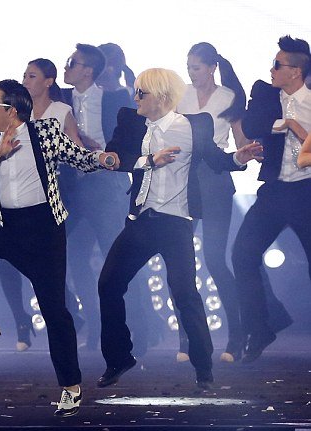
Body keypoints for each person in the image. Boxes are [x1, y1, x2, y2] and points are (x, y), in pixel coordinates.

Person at [0, 79, 119, 417]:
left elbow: (79, 157)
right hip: (3, 225)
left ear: (11, 111)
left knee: (54, 309)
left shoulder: (45, 132)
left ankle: (70, 387)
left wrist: (104, 158)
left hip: (43, 231)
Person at [96, 68, 263, 390]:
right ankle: (119, 357)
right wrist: (148, 160)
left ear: (161, 97)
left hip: (177, 222)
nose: (135, 98)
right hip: (141, 220)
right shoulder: (130, 120)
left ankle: (203, 367)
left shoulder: (194, 125)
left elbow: (216, 160)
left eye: (141, 92)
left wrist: (238, 158)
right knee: (108, 284)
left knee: (185, 293)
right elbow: (114, 157)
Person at [0, 58, 83, 352]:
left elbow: (76, 149)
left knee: (44, 261)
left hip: (49, 196)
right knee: (6, 257)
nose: (25, 80)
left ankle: (66, 316)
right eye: (24, 75)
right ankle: (21, 320)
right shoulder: (15, 111)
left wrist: (90, 154)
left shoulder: (61, 111)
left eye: (31, 76)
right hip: (14, 194)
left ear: (48, 81)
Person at [232, 35, 311, 363]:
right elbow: (252, 125)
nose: (272, 69)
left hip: (307, 192)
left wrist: (298, 126)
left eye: (278, 65)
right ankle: (261, 327)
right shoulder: (265, 93)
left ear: (296, 71)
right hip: (276, 190)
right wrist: (285, 123)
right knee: (242, 254)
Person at [61, 43, 144, 352]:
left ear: (88, 71)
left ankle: (137, 331)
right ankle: (93, 323)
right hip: (72, 188)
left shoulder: (115, 98)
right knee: (67, 256)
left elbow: (131, 141)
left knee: (119, 259)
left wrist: (101, 150)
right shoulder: (61, 98)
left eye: (72, 62)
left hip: (106, 186)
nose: (66, 66)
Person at [174, 42, 250, 363]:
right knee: (180, 262)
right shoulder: (181, 94)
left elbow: (240, 139)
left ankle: (236, 337)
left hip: (216, 180)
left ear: (212, 67)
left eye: (196, 68)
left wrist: (247, 151)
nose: (191, 74)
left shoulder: (228, 97)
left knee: (215, 260)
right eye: (188, 68)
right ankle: (186, 339)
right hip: (184, 180)